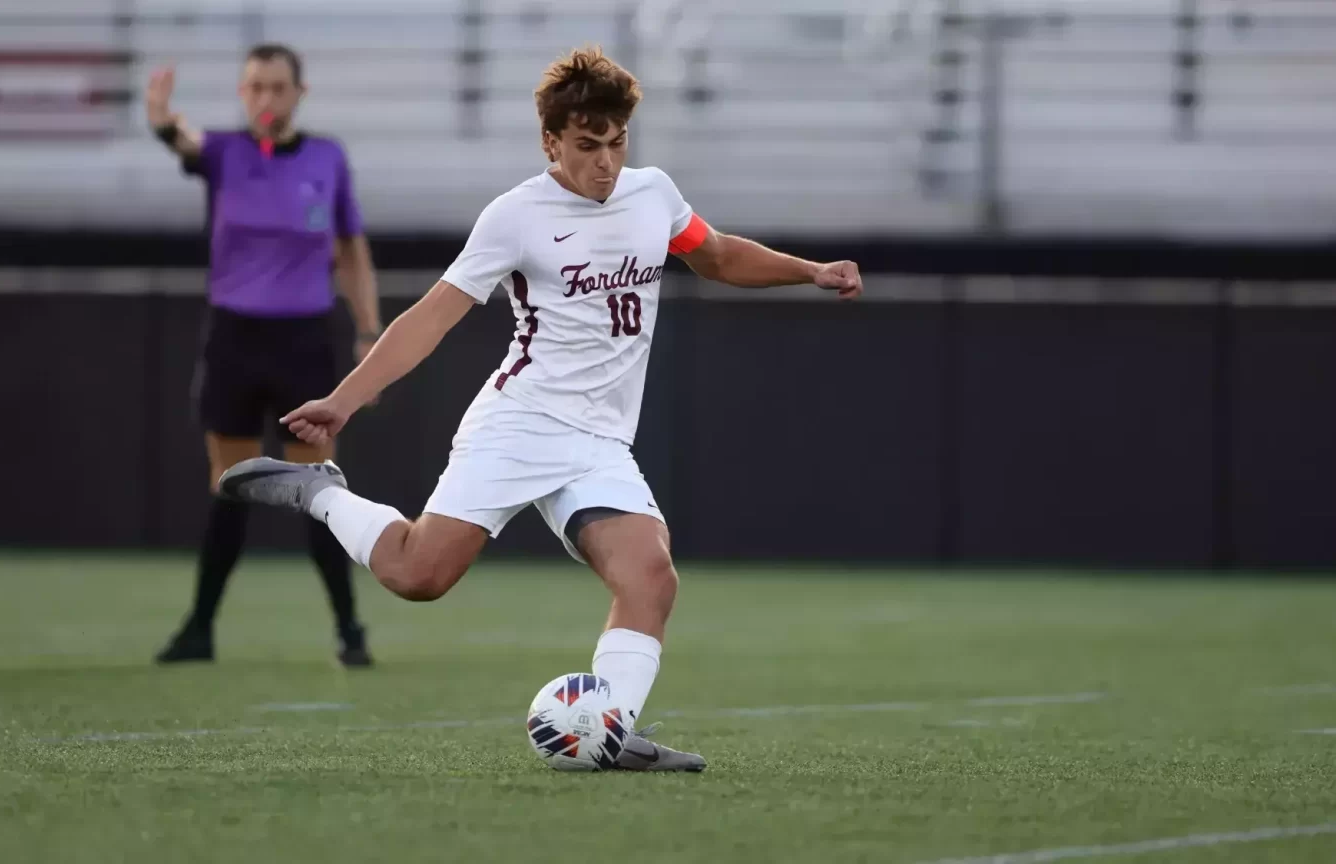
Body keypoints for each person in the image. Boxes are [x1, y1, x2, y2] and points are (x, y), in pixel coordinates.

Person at [220, 47, 862, 768]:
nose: (606, 163)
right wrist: (342, 401)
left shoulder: (653, 194)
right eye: (588, 146)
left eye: (617, 143)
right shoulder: (517, 215)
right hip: (520, 422)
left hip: (599, 442)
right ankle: (321, 493)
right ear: (551, 142)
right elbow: (432, 318)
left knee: (649, 575)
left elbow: (714, 255)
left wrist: (810, 270)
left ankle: (609, 731)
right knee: (417, 576)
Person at [144, 44, 383, 667]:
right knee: (229, 487)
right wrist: (162, 118)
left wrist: (368, 331)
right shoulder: (224, 152)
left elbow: (352, 249)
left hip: (304, 339)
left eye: (277, 87)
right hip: (234, 340)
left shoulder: (327, 158)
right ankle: (199, 629)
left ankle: (349, 630)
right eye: (254, 87)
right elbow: (184, 143)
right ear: (242, 92)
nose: (265, 99)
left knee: (319, 488)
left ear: (299, 93)